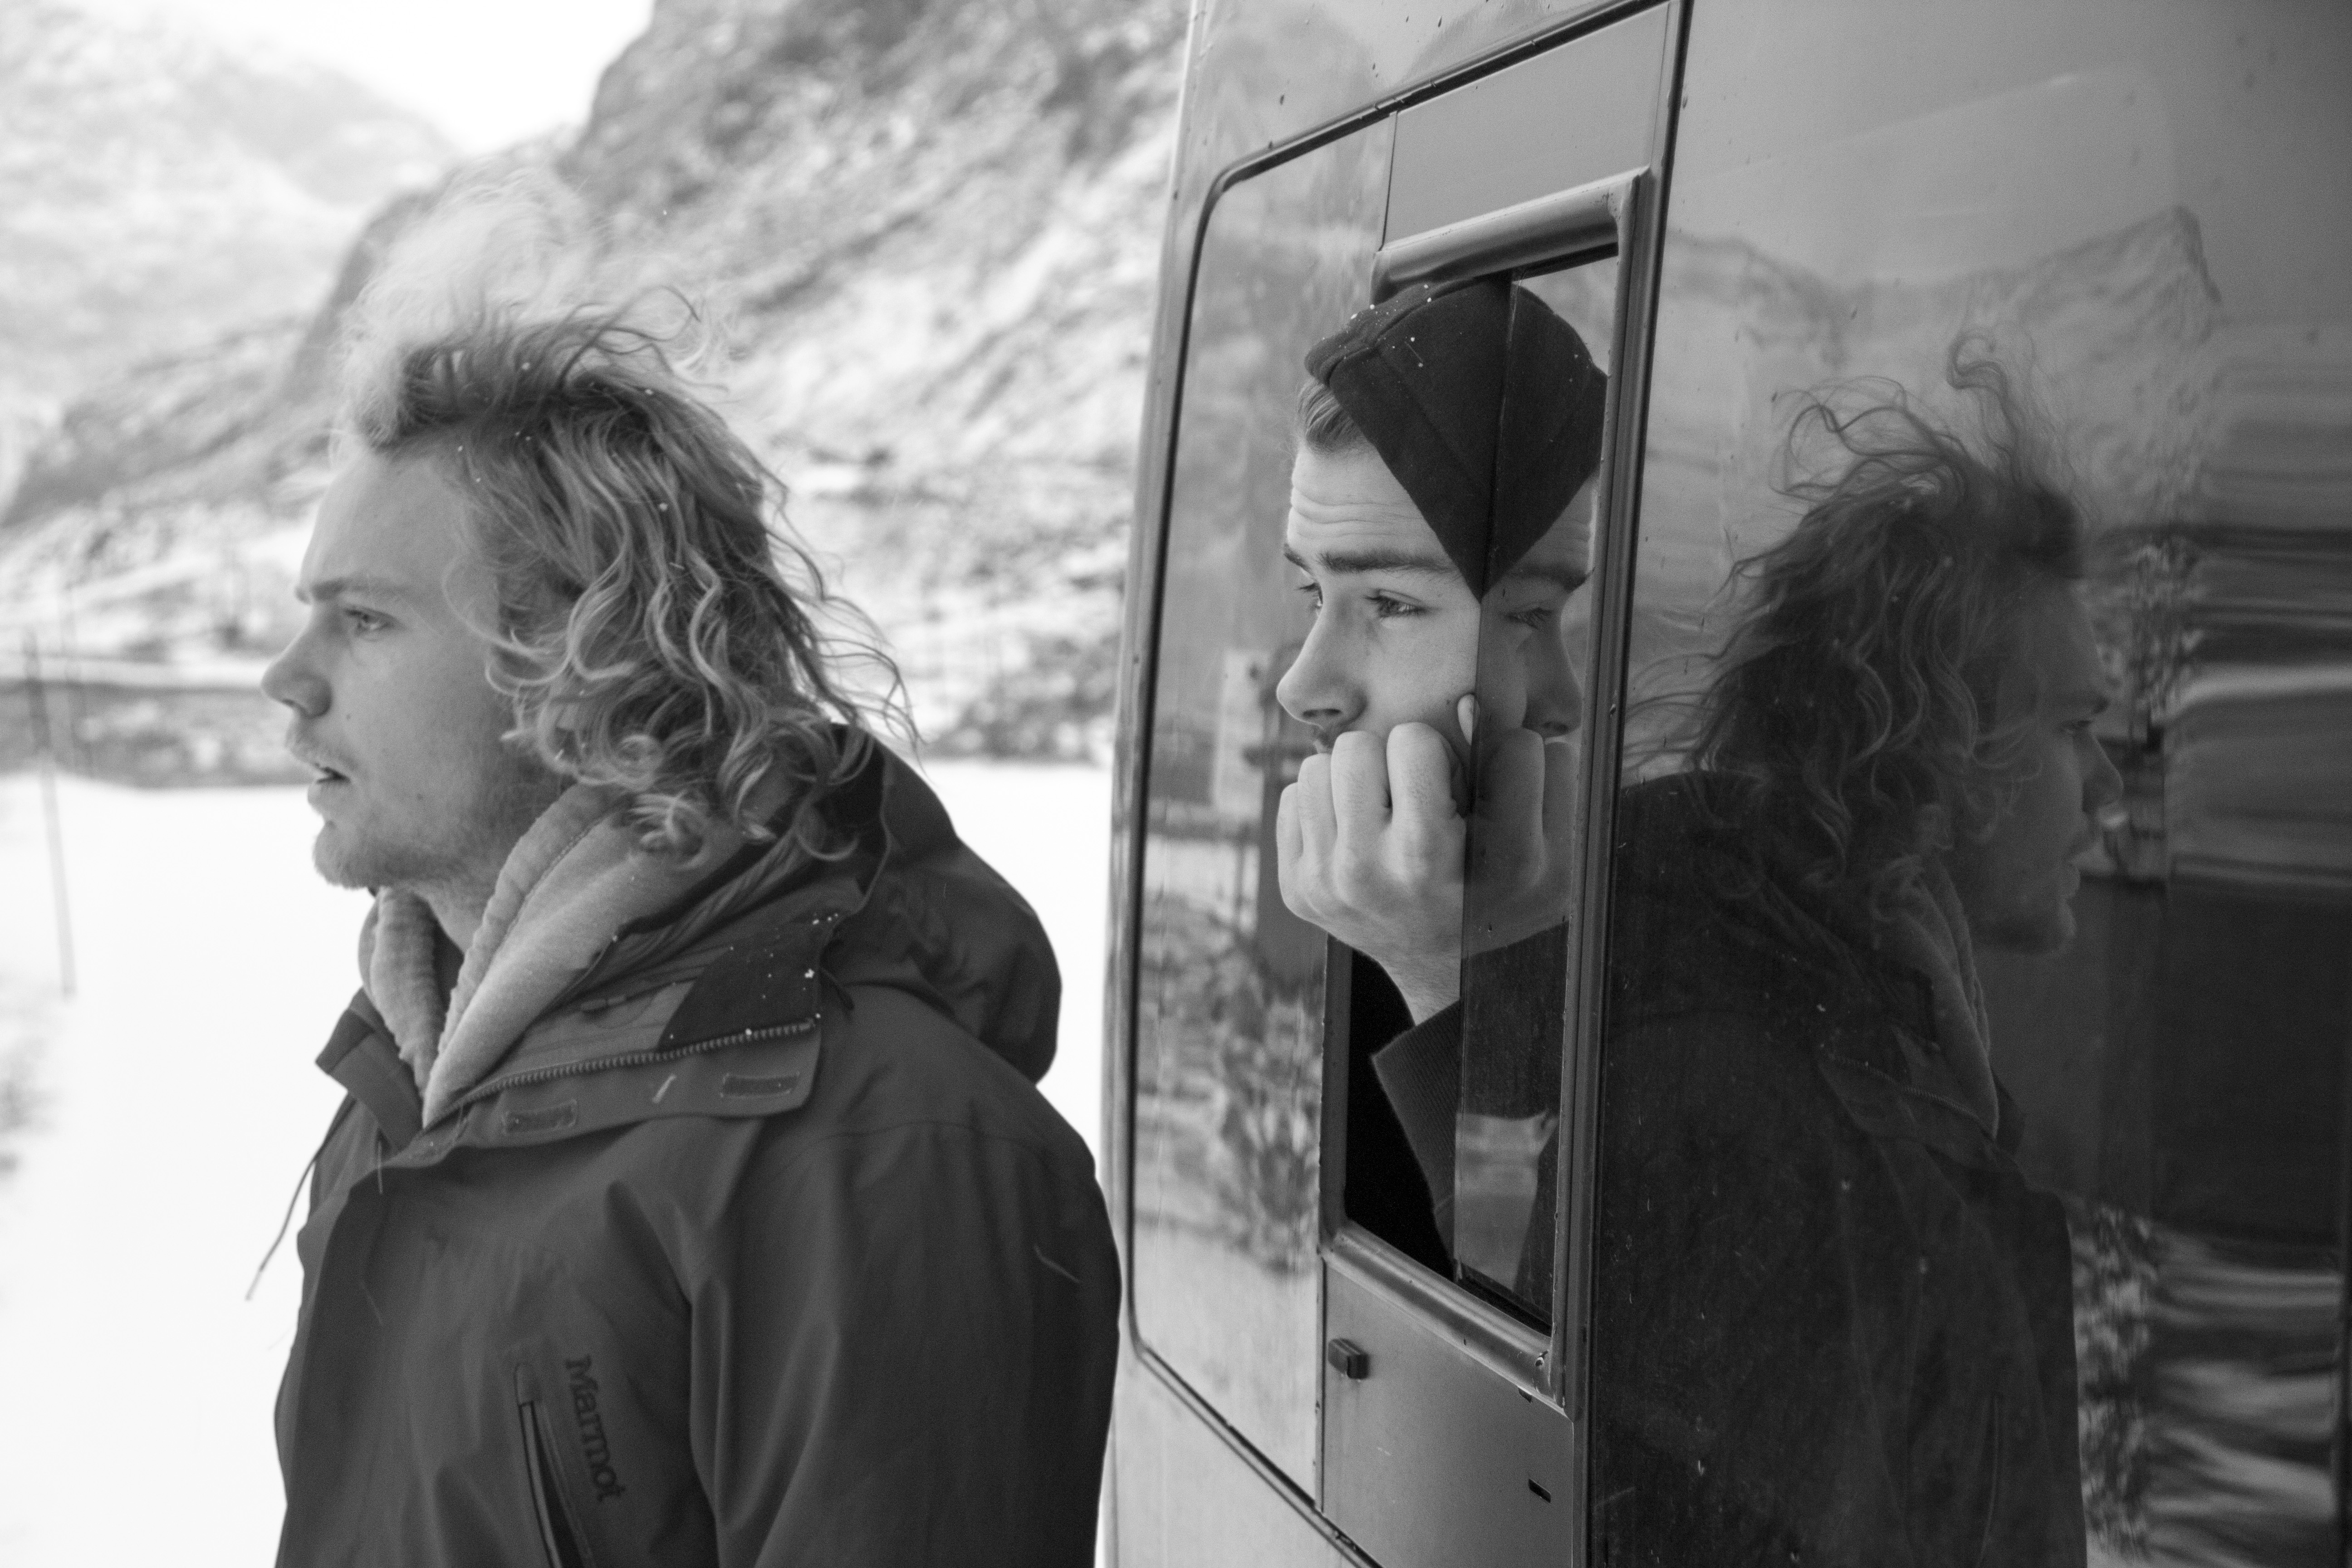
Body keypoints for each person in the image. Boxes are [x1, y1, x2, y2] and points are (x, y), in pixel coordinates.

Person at [257, 201, 1117, 1567]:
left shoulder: (879, 1157)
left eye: (363, 620)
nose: (286, 681)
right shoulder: (410, 1096)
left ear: (581, 660)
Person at [1589, 355, 2121, 1566]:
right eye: (2076, 727)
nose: (2107, 790)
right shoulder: (1747, 1113)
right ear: (1940, 745)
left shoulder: (1896, 1063)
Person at [1273, 275, 1606, 1284]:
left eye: (1388, 602)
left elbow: (1523, 1296)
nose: (1300, 687)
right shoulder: (1374, 894)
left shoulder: (1667, 965)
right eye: (1313, 593)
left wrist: (1450, 975)